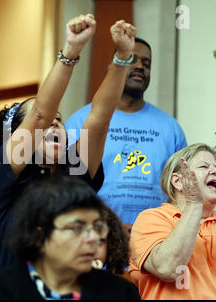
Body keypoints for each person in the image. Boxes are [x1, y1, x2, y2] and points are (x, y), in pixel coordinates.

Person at [0, 15, 137, 274]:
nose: (54, 124)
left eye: (60, 120)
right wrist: (71, 51)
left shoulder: (75, 170)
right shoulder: (6, 178)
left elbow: (100, 116)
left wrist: (122, 57)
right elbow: (40, 113)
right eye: (45, 125)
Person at [65, 37, 187, 234]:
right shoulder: (80, 122)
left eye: (146, 63)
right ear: (116, 65)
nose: (140, 66)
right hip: (94, 240)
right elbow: (65, 189)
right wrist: (107, 226)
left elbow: (181, 193)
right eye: (132, 60)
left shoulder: (171, 128)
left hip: (155, 244)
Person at [0, 175, 140, 300]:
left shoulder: (120, 292)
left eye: (97, 227)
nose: (93, 239)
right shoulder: (1, 290)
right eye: (77, 228)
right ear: (39, 235)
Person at [129, 143, 216, 299]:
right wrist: (194, 205)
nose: (215, 171)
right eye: (204, 166)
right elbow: (167, 268)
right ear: (178, 181)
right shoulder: (152, 218)